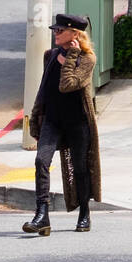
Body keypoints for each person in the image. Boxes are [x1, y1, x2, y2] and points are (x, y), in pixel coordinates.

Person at [24, 14, 102, 235]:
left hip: (78, 122)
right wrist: (36, 119)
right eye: (55, 30)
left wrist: (72, 56)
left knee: (80, 169)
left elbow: (68, 85)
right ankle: (42, 215)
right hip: (52, 120)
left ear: (75, 34)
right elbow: (44, 89)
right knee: (41, 161)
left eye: (60, 30)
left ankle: (84, 213)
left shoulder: (87, 59)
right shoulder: (50, 55)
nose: (55, 33)